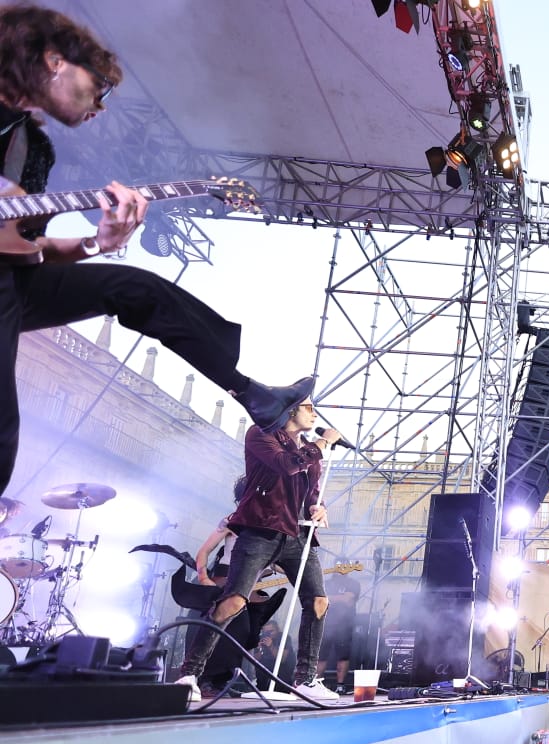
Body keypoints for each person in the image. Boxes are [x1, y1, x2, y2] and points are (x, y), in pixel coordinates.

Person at [0, 4, 313, 495]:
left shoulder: (32, 149)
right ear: (55, 60)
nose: (101, 107)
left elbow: (26, 247)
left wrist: (95, 242)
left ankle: (253, 394)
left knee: (135, 288)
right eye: (99, 86)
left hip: (11, 283)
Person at [176, 399, 340, 703]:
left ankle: (305, 679)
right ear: (290, 410)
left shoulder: (308, 448)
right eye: (308, 408)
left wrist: (319, 506)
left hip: (298, 535)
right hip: (260, 531)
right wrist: (322, 442)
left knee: (317, 601)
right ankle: (190, 673)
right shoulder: (261, 435)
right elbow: (286, 465)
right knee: (233, 602)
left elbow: (311, 490)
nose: (314, 413)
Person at [317, 571, 361, 692]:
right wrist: (340, 598)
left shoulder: (353, 583)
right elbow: (319, 599)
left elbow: (348, 600)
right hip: (325, 623)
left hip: (344, 625)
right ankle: (316, 684)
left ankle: (340, 685)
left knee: (343, 656)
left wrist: (330, 598)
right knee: (321, 656)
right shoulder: (325, 583)